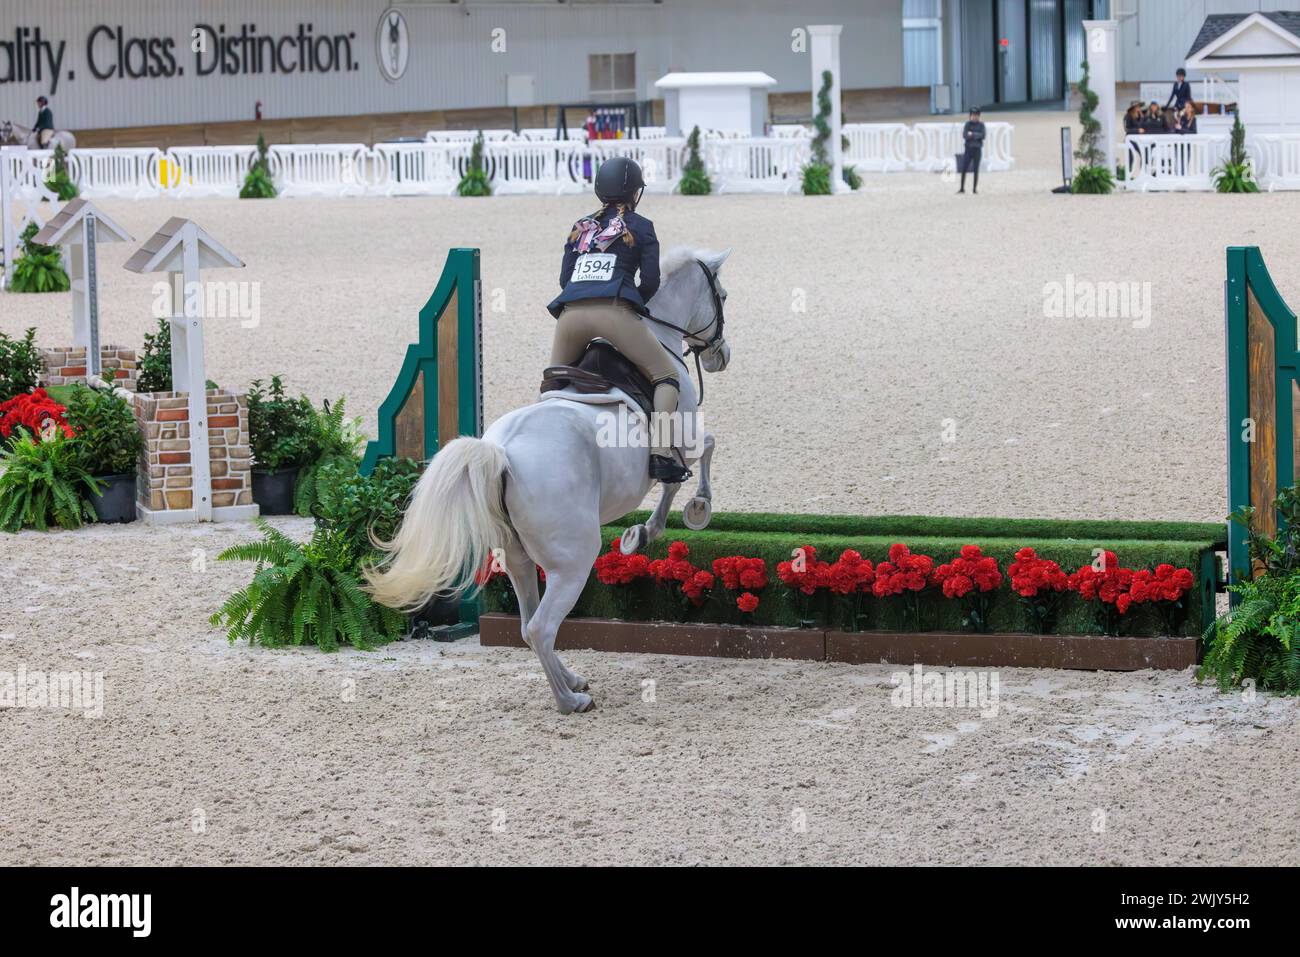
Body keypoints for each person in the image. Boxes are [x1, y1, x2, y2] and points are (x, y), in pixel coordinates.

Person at [546, 157, 689, 483]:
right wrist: (632, 299)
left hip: (570, 316)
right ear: (635, 193)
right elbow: (651, 281)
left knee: (552, 381)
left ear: (599, 190)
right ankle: (661, 454)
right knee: (666, 377)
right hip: (613, 313)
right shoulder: (641, 226)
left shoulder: (579, 225)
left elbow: (565, 279)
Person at [957, 106, 985, 194]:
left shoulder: (981, 125)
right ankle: (962, 188)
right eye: (973, 115)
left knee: (976, 169)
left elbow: (983, 135)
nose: (974, 117)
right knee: (964, 168)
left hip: (977, 150)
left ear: (979, 116)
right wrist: (976, 135)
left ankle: (974, 188)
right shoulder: (967, 124)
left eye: (976, 115)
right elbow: (965, 135)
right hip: (968, 149)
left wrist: (972, 134)